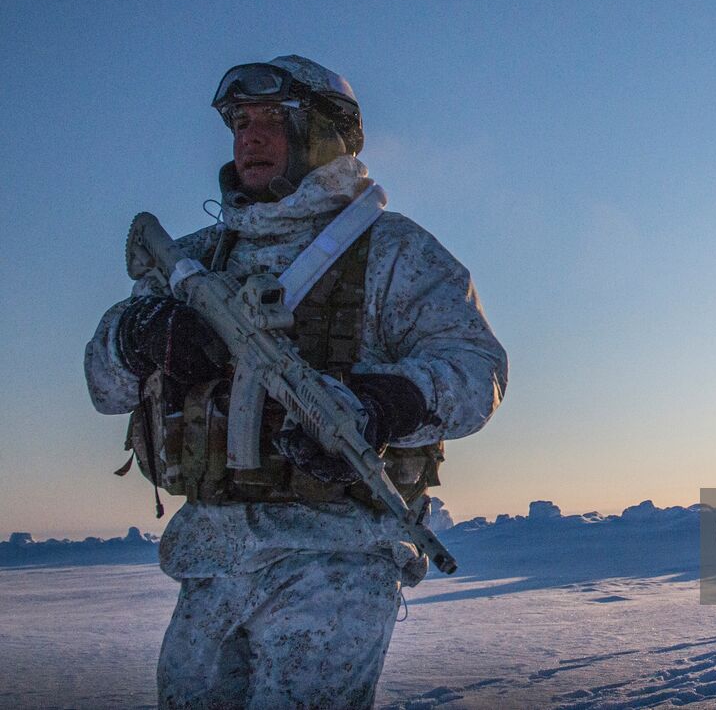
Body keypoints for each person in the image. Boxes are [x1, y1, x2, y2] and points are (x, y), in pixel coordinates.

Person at [84, 55, 509, 708]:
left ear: (321, 132)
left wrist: (375, 406)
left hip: (335, 555)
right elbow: (103, 384)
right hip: (209, 556)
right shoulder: (192, 259)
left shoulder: (392, 250)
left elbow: (478, 370)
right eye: (239, 122)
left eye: (270, 121)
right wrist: (140, 336)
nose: (248, 137)